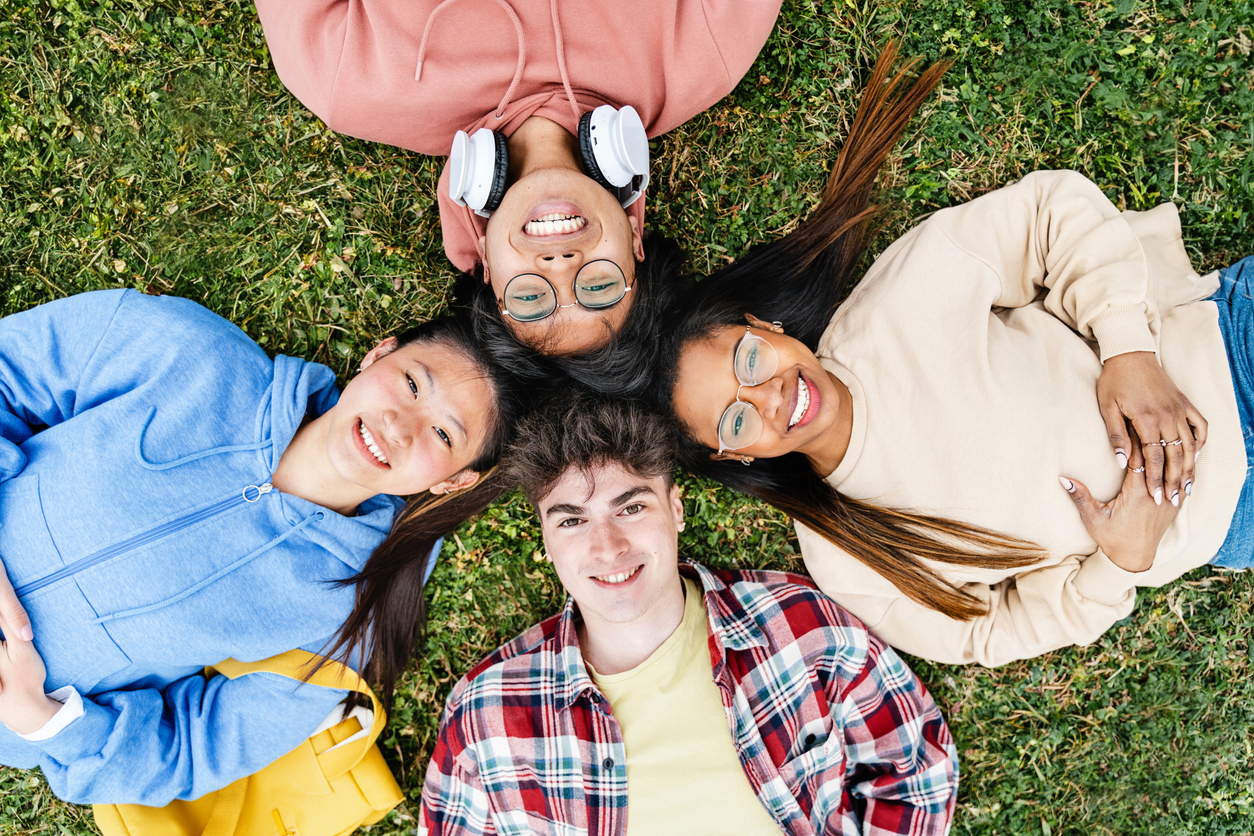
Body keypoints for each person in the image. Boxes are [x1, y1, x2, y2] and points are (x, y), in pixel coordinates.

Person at [659, 44, 1250, 667]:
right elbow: (988, 635)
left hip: (1227, 345)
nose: (769, 396)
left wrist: (1128, 352)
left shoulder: (889, 312)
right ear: (736, 454)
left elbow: (1049, 214)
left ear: (762, 326)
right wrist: (1120, 563)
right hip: (1230, 516)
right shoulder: (846, 558)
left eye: (748, 362)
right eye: (735, 419)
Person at [0, 288, 519, 804]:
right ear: (378, 353)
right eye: (410, 383)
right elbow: (11, 370)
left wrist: (48, 722)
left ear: (456, 482)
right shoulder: (189, 352)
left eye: (444, 436)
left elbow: (204, 748)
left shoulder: (355, 610)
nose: (399, 427)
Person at [419, 394, 958, 835]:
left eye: (631, 508)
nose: (607, 549)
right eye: (571, 522)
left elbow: (916, 770)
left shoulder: (799, 625)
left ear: (675, 510)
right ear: (546, 539)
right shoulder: (486, 713)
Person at [253, 0, 781, 389]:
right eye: (598, 286)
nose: (560, 262)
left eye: (530, 298)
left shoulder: (350, 84)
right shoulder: (704, 54)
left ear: (485, 261)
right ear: (636, 239)